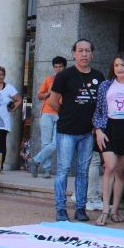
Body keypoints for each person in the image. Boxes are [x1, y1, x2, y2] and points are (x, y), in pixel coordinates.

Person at [47, 39, 105, 222]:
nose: (84, 54)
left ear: (92, 54)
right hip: (66, 131)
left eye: (87, 51)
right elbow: (52, 100)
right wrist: (66, 113)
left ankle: (80, 208)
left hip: (87, 132)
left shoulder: (99, 76)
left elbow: (101, 104)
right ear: (74, 54)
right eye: (80, 51)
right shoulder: (65, 75)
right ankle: (61, 209)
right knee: (63, 170)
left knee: (83, 171)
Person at [92, 53, 124, 226]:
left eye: (123, 65)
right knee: (110, 167)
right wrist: (98, 130)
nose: (119, 68)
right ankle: (105, 209)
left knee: (121, 171)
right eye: (117, 65)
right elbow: (98, 110)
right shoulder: (106, 85)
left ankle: (115, 210)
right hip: (108, 128)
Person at [28, 56, 67, 178]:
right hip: (47, 112)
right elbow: (39, 95)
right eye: (56, 67)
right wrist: (48, 93)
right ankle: (46, 170)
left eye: (60, 66)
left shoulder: (69, 79)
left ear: (64, 67)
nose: (58, 69)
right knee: (46, 142)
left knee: (55, 143)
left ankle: (35, 160)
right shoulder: (49, 79)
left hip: (61, 113)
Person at [0, 66, 22, 169]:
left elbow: (18, 100)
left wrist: (12, 109)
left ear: (4, 76)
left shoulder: (9, 87)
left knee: (1, 146)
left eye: (1, 74)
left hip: (2, 122)